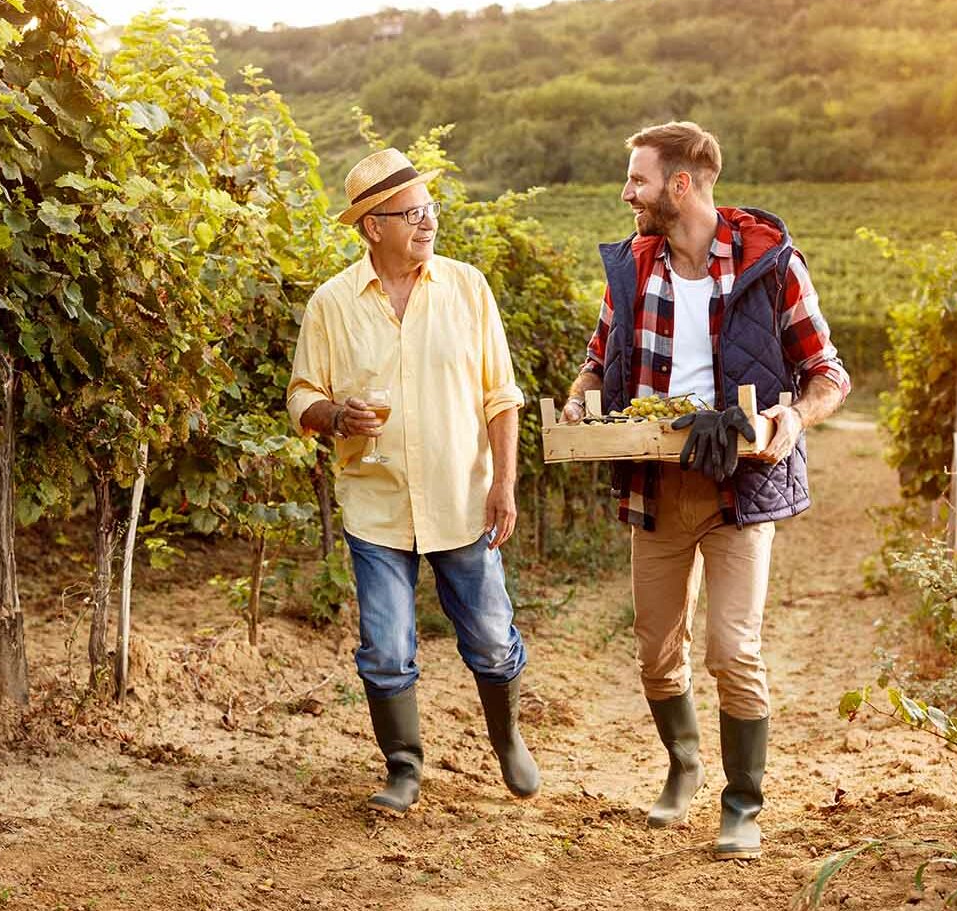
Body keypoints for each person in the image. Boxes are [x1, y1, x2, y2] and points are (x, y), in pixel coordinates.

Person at [562, 121, 848, 859]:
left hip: (738, 486)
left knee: (733, 649)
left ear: (679, 186)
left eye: (638, 180)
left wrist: (793, 414)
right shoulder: (631, 266)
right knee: (657, 652)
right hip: (656, 485)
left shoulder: (771, 264)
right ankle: (684, 764)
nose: (628, 192)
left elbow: (829, 376)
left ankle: (742, 805)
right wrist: (578, 400)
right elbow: (596, 363)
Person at [286, 147, 538, 814]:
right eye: (411, 214)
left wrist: (504, 483)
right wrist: (336, 415)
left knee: (489, 636)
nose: (427, 223)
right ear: (373, 227)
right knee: (387, 647)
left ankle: (507, 737)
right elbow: (300, 397)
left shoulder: (467, 288)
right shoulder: (332, 305)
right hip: (378, 505)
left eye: (429, 209)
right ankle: (403, 766)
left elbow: (501, 397)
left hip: (461, 498)